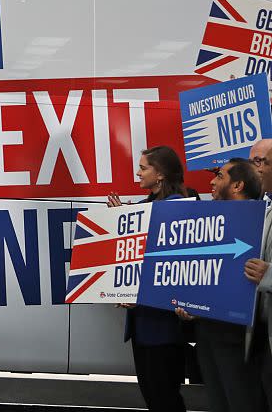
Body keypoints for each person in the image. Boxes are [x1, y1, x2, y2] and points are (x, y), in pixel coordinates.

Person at [175, 159, 266, 412]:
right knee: (218, 403)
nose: (212, 182)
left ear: (237, 185)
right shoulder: (208, 221)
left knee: (241, 402)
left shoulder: (258, 221)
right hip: (207, 333)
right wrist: (190, 308)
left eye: (220, 176)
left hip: (238, 336)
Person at [107, 145, 191, 412]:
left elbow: (174, 268)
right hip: (142, 324)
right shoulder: (145, 207)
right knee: (153, 396)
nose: (138, 172)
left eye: (144, 168)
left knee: (165, 397)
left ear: (162, 174)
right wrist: (121, 220)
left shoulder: (180, 208)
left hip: (164, 326)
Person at [245, 145, 272, 410]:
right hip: (258, 337)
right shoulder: (258, 209)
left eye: (259, 161)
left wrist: (270, 274)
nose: (254, 169)